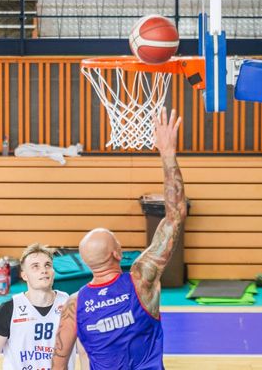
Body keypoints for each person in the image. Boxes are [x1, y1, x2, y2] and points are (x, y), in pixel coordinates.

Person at [52, 108, 187, 370]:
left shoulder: (75, 305)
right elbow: (175, 216)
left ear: (85, 261)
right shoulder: (141, 279)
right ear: (117, 253)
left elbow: (58, 363)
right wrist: (168, 154)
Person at [0, 243, 88, 370]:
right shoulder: (9, 309)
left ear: (53, 272)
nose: (44, 270)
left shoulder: (70, 305)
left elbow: (84, 353)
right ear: (24, 275)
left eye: (47, 265)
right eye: (35, 266)